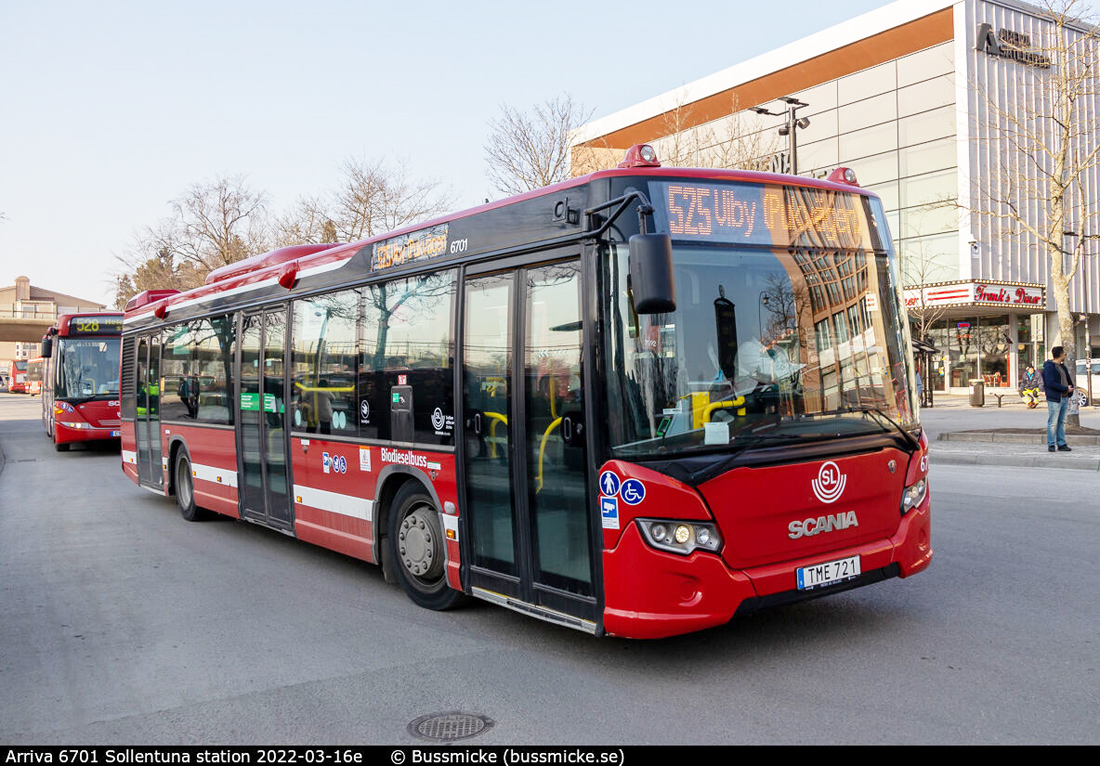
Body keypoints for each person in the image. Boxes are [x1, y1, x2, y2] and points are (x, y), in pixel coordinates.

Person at [1041, 346, 1075, 452]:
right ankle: (1051, 444)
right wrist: (1065, 388)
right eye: (1064, 353)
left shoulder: (1062, 366)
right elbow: (1050, 383)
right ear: (1060, 354)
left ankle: (1061, 443)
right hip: (1055, 398)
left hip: (1064, 397)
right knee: (1053, 422)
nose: (1065, 355)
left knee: (1062, 422)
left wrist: (1070, 390)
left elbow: (1067, 379)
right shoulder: (1050, 367)